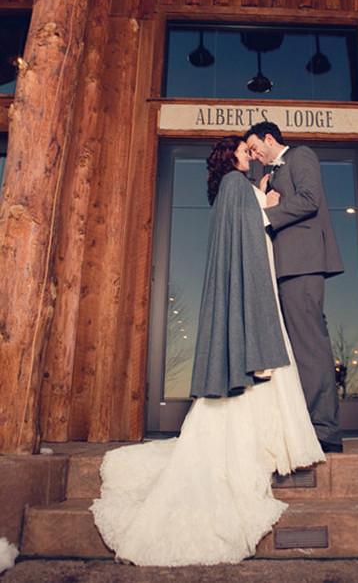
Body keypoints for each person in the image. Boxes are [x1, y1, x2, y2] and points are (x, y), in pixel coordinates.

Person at [90, 136, 324, 567]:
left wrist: (263, 199)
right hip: (257, 294)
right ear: (231, 157)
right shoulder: (236, 187)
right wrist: (265, 204)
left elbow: (249, 232)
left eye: (252, 149)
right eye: (244, 151)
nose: (250, 155)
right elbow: (250, 244)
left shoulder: (231, 190)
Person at [244, 122, 344, 453]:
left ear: (269, 138)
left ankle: (325, 430)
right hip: (285, 267)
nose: (253, 154)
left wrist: (268, 213)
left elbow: (310, 200)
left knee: (310, 346)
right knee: (296, 349)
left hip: (303, 263)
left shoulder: (300, 156)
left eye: (254, 147)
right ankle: (305, 426)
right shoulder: (268, 174)